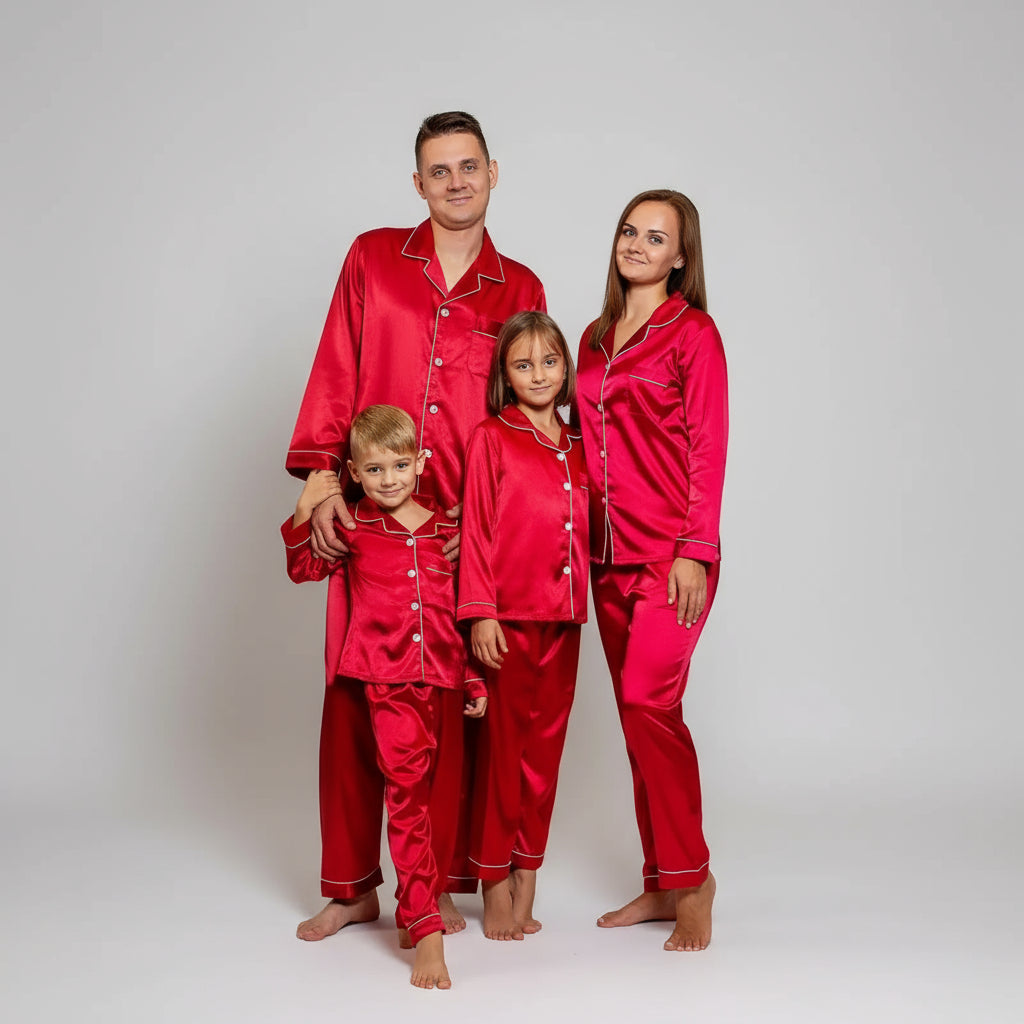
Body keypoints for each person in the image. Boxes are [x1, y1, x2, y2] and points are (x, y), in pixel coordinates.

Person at [285, 112, 545, 941]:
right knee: (353, 703)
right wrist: (322, 481)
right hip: (367, 525)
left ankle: (432, 893)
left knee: (453, 713)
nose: (456, 181)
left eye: (470, 166)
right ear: (418, 183)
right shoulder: (371, 259)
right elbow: (336, 364)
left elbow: (530, 409)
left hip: (464, 538)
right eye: (440, 170)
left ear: (493, 173)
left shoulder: (521, 288)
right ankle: (354, 885)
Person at [281, 405, 487, 990]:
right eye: (374, 470)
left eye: (400, 465)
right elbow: (302, 567)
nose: (390, 479)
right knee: (406, 799)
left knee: (432, 796)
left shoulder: (449, 534)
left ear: (421, 462)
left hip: (443, 680)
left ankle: (423, 894)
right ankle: (422, 928)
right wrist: (302, 511)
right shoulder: (354, 529)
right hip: (385, 684)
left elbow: (464, 612)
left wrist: (473, 679)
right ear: (354, 472)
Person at [574, 190, 728, 952]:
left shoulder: (693, 334)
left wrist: (696, 550)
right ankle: (661, 883)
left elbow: (709, 445)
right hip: (603, 558)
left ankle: (694, 878)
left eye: (655, 237)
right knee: (639, 727)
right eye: (629, 231)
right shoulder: (595, 337)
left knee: (647, 705)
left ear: (681, 256)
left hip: (671, 559)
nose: (635, 244)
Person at [457, 311, 588, 940]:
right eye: (523, 364)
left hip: (565, 622)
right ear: (504, 376)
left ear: (566, 369)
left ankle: (527, 878)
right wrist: (480, 611)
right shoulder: (491, 436)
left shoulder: (579, 447)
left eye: (550, 361)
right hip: (507, 619)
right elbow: (476, 530)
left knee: (545, 757)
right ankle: (493, 887)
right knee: (503, 757)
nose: (539, 374)